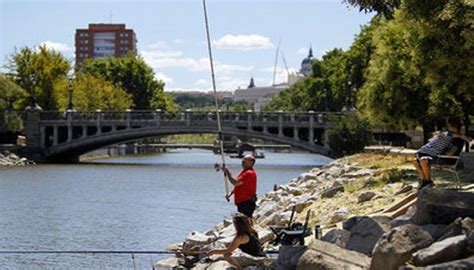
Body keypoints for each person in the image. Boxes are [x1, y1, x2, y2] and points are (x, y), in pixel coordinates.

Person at [413, 117, 471, 189]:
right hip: (441, 157)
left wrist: (441, 152)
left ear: (451, 126)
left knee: (423, 160)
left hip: (446, 159)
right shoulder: (449, 135)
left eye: (449, 126)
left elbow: (450, 153)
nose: (448, 127)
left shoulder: (457, 139)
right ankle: (424, 180)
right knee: (415, 160)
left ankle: (428, 181)